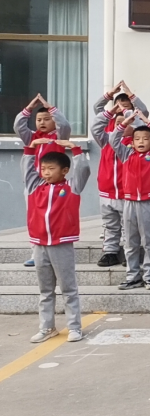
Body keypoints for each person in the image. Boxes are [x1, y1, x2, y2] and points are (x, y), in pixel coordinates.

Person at [22, 140, 90, 343]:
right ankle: (47, 327)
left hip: (61, 243)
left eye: (51, 169)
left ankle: (75, 327)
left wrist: (76, 149)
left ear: (65, 171)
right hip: (39, 243)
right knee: (45, 290)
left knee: (68, 288)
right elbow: (26, 168)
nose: (46, 173)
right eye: (43, 169)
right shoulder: (35, 186)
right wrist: (30, 148)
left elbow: (84, 170)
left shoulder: (72, 187)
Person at [91, 81, 149, 268]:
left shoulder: (136, 142)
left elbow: (143, 117)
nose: (121, 125)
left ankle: (130, 251)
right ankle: (110, 252)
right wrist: (110, 100)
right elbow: (96, 122)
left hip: (127, 190)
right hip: (107, 189)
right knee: (110, 224)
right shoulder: (106, 139)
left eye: (125, 120)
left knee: (129, 224)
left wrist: (130, 107)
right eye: (117, 122)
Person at [111, 110, 150, 290]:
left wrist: (146, 120)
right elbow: (114, 140)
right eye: (137, 139)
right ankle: (132, 275)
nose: (141, 142)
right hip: (129, 203)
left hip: (148, 203)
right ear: (132, 141)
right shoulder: (126, 154)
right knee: (130, 242)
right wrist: (125, 123)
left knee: (149, 241)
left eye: (145, 139)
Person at [15, 94, 71, 268]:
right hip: (35, 184)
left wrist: (51, 108)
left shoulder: (59, 137)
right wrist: (29, 108)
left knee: (54, 216)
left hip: (55, 185)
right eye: (39, 119)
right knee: (34, 216)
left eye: (47, 119)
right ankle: (36, 251)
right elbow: (19, 126)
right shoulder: (32, 138)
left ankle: (56, 247)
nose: (42, 122)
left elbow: (65, 125)